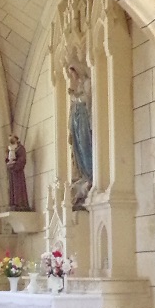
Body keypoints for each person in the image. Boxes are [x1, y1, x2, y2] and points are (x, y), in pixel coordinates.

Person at [67, 64, 93, 206]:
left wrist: (73, 96)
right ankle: (83, 175)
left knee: (84, 146)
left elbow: (85, 100)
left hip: (83, 121)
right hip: (76, 122)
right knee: (77, 149)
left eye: (73, 75)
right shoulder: (75, 88)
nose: (73, 78)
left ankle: (89, 174)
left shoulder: (87, 83)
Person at [6, 135, 30, 210]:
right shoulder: (10, 148)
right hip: (12, 172)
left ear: (16, 139)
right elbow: (7, 158)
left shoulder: (20, 148)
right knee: (12, 188)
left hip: (18, 172)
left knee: (19, 187)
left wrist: (15, 164)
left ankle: (20, 203)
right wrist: (8, 162)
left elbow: (22, 159)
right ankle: (13, 203)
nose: (11, 141)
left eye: (12, 139)